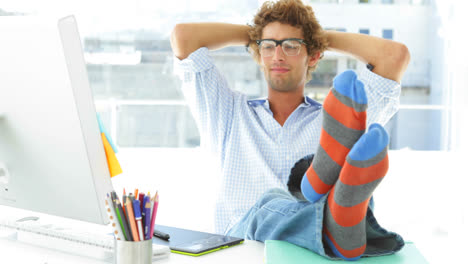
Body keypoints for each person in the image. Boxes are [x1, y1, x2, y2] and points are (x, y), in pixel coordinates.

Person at [170, 0, 410, 260]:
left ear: (314, 55)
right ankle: (329, 211)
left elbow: (394, 56)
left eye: (292, 46)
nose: (278, 55)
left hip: (315, 252)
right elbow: (184, 37)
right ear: (259, 54)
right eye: (269, 47)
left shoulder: (336, 119)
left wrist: (317, 38)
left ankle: (328, 207)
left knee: (333, 193)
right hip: (246, 245)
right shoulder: (228, 112)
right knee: (269, 205)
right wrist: (256, 35)